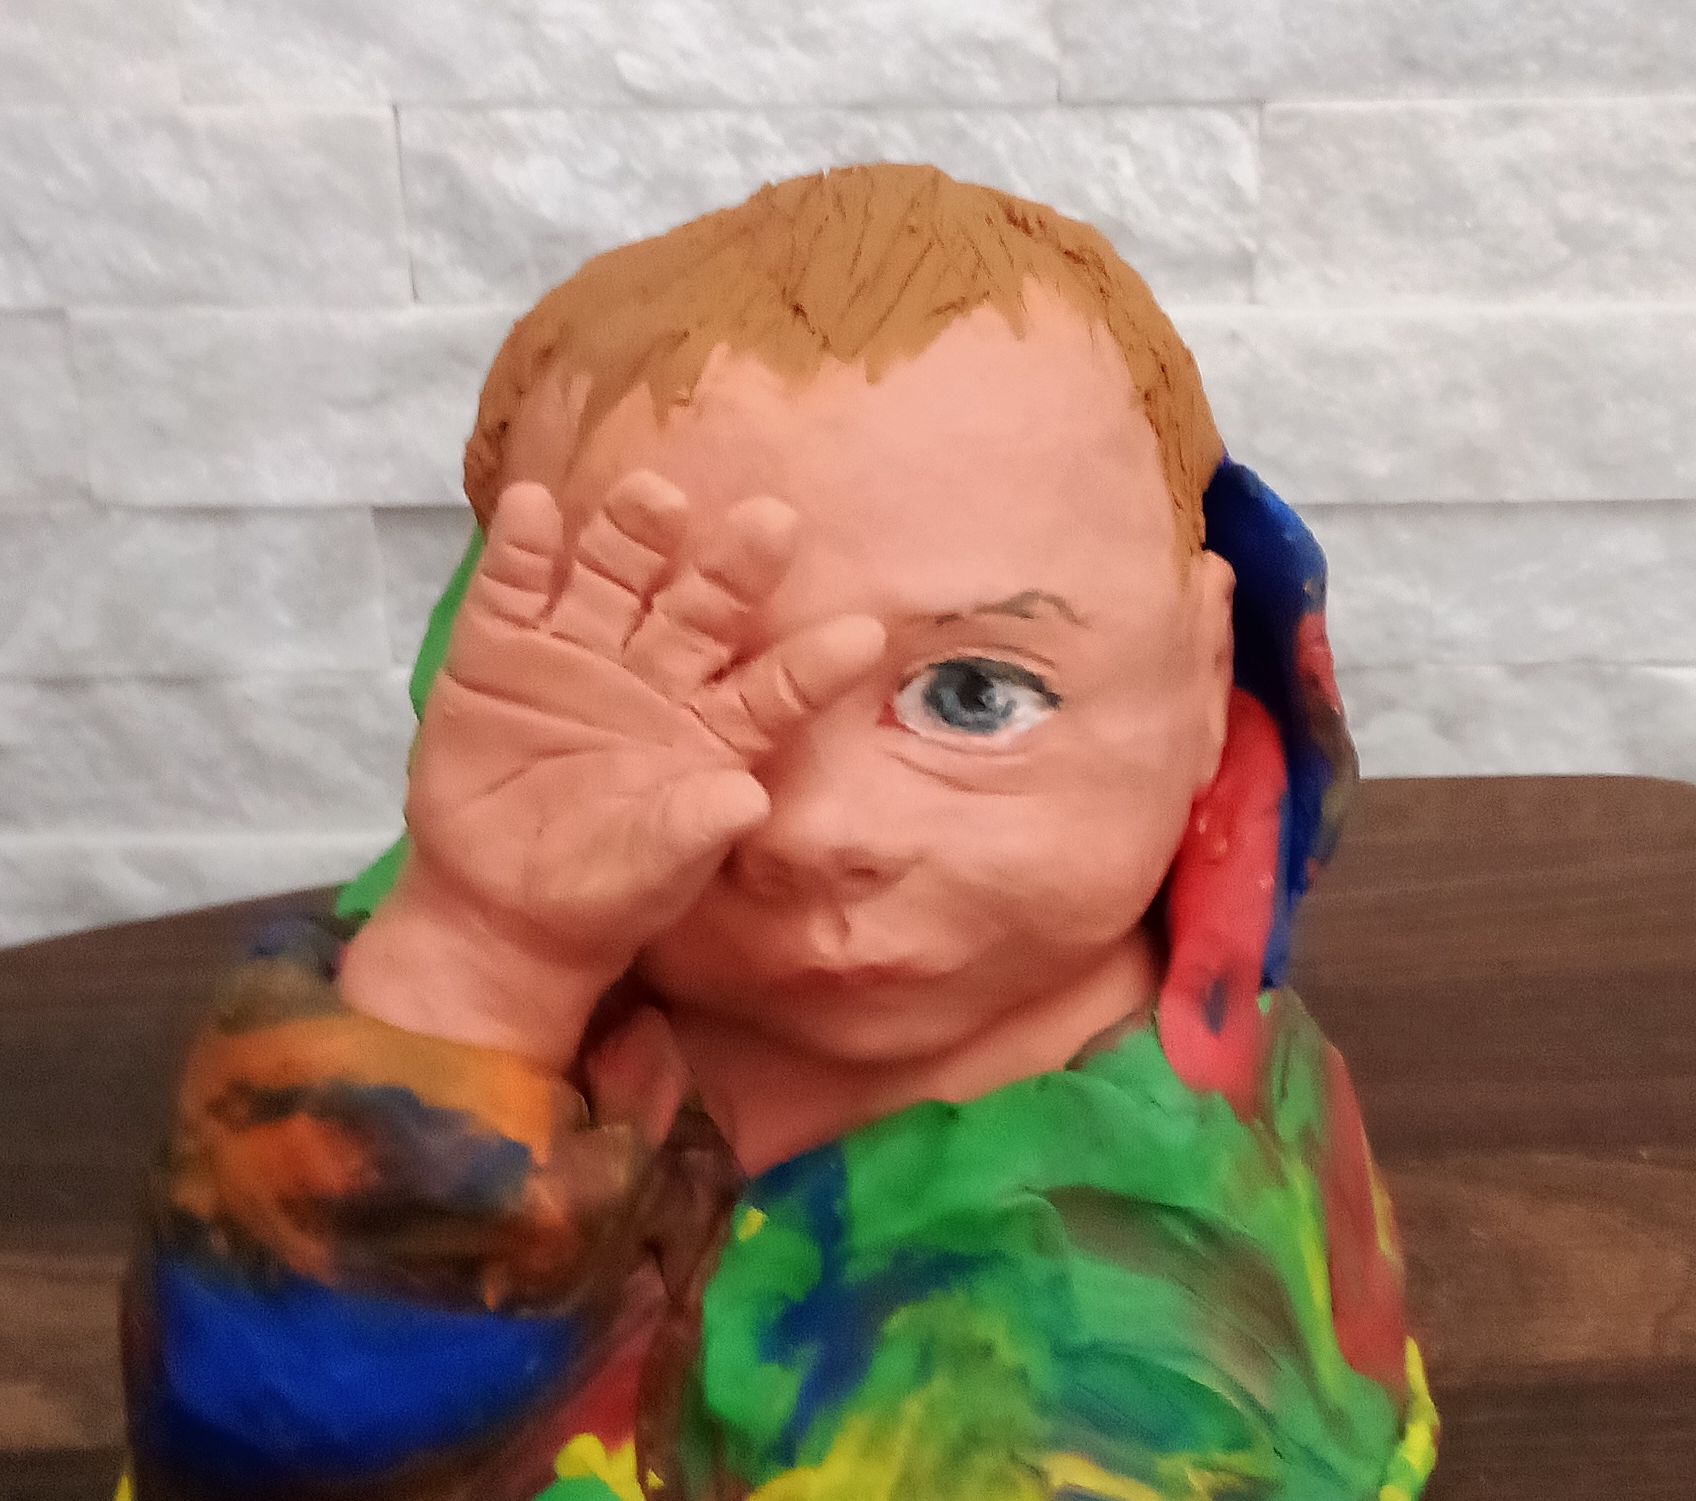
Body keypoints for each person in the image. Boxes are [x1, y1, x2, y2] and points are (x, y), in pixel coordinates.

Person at [120, 164, 1437, 1500]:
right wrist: (483, 957)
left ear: (1207, 679)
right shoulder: (505, 951)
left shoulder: (1168, 1255)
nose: (811, 829)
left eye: (974, 697)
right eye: (681, 696)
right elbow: (250, 1438)